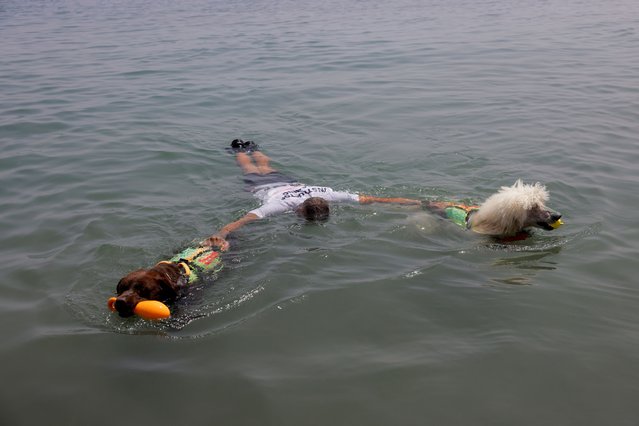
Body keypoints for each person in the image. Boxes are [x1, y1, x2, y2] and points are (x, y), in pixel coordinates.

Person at [203, 139, 421, 251]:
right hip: (265, 187)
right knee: (251, 168)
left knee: (264, 166)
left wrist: (421, 202)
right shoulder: (282, 205)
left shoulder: (326, 194)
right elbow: (240, 222)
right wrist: (220, 236)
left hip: (284, 183)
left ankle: (248, 147)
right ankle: (241, 150)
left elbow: (377, 199)